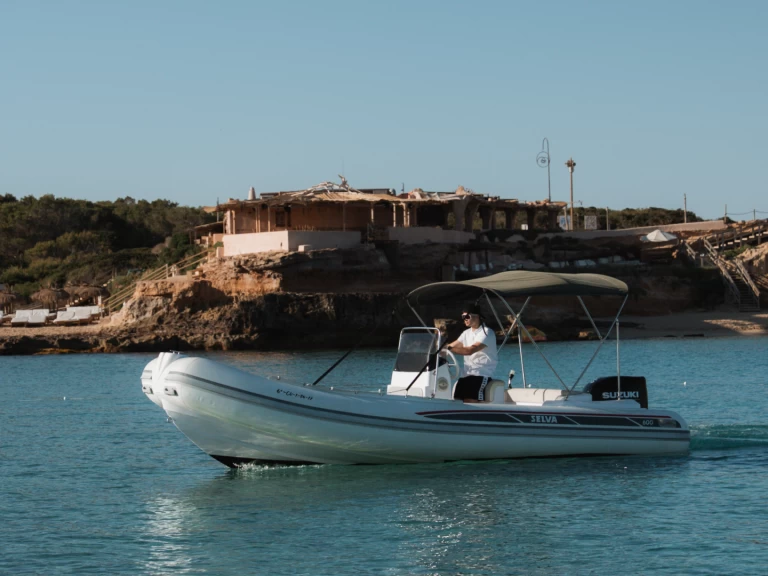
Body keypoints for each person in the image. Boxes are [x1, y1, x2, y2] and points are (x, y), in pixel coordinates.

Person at [446, 303, 498, 402]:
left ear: (477, 316)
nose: (465, 319)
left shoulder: (486, 332)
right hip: (466, 375)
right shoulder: (466, 333)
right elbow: (452, 346)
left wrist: (447, 348)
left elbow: (470, 350)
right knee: (456, 400)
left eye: (467, 316)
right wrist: (438, 349)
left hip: (481, 374)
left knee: (470, 401)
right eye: (463, 317)